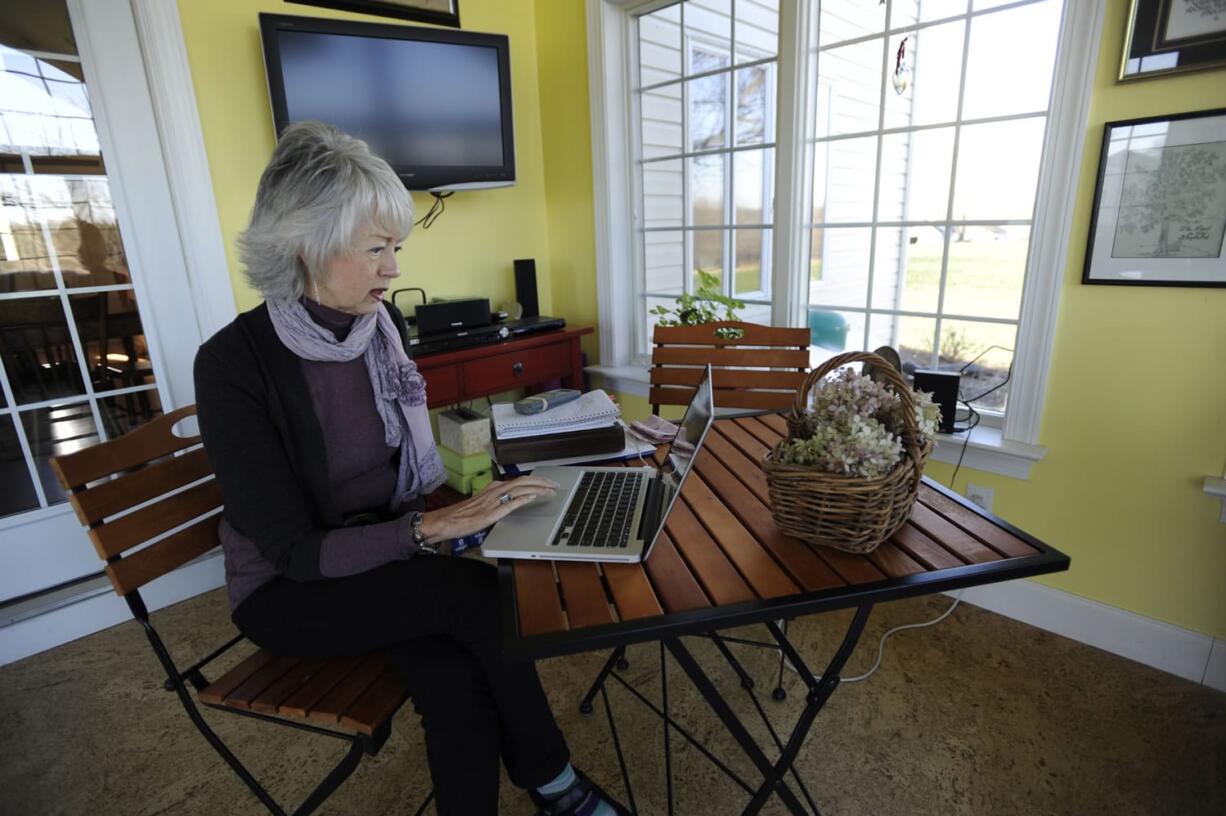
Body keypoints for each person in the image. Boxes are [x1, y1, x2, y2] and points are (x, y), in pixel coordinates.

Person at [194, 121, 622, 816]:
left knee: (453, 679)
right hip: (290, 591)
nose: (394, 270)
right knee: (479, 599)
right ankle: (554, 783)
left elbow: (407, 477)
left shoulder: (380, 329)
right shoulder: (232, 366)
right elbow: (294, 552)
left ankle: (546, 784)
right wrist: (432, 528)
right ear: (307, 244)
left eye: (397, 248)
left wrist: (462, 514)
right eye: (377, 250)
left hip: (385, 559)